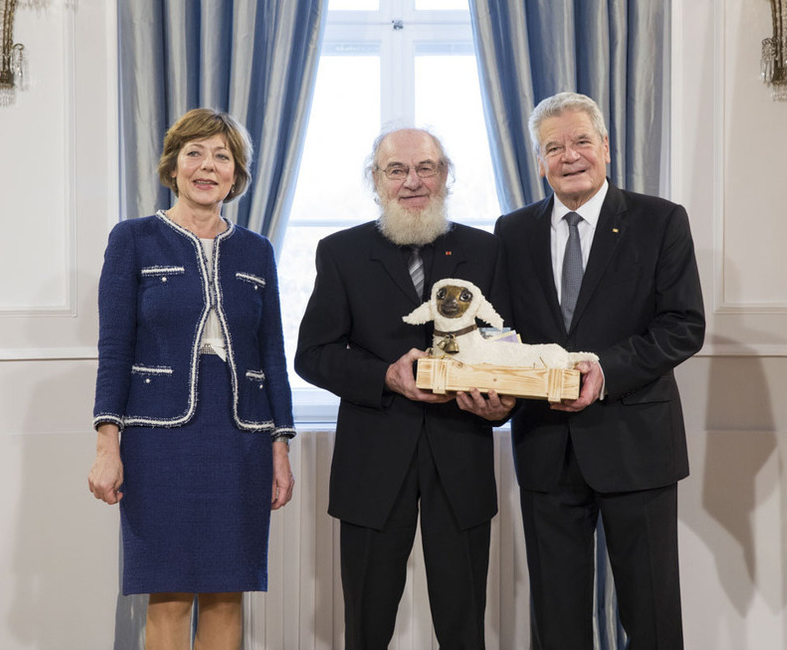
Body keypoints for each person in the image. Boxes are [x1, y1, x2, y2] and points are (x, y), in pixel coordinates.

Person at [494, 92, 705, 650]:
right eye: (553, 147)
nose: (569, 156)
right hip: (545, 448)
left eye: (581, 141)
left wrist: (601, 372)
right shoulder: (511, 232)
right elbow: (501, 334)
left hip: (637, 445)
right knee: (557, 622)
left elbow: (684, 325)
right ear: (539, 162)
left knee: (652, 615)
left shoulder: (660, 221)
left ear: (605, 148)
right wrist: (495, 385)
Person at [294, 127, 514, 649]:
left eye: (426, 168)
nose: (412, 181)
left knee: (464, 626)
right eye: (397, 170)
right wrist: (384, 375)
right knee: (367, 625)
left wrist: (501, 403)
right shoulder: (341, 252)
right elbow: (312, 355)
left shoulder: (486, 250)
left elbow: (505, 345)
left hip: (460, 453)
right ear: (376, 181)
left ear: (445, 176)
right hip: (372, 458)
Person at [87, 108, 296, 650]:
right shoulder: (133, 239)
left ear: (237, 173)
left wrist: (280, 446)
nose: (208, 166)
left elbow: (271, 352)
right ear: (174, 166)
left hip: (240, 439)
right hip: (157, 440)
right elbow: (115, 348)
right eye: (195, 154)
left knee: (229, 594)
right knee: (169, 594)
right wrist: (107, 445)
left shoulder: (257, 251)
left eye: (222, 156)